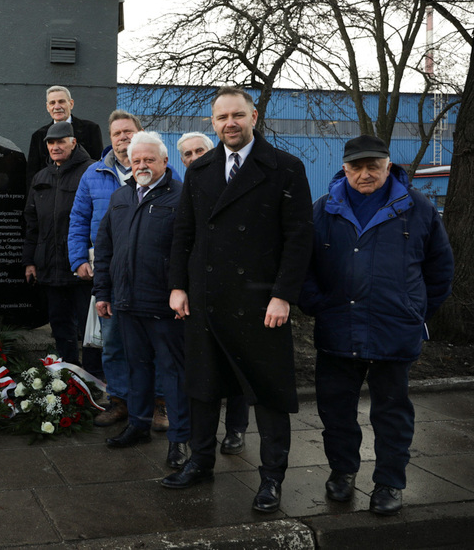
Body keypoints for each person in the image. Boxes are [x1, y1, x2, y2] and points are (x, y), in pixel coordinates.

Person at [162, 86, 313, 515]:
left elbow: (299, 238)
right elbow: (184, 233)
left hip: (261, 302)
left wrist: (283, 295)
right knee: (203, 387)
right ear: (213, 122)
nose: (230, 123)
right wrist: (177, 286)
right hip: (206, 298)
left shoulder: (285, 167)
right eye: (222, 117)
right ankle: (200, 462)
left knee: (268, 393)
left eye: (238, 115)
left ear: (254, 116)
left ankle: (271, 478)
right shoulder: (200, 169)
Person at [300, 135, 453, 516]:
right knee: (336, 411)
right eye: (357, 167)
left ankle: (389, 482)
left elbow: (440, 269)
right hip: (338, 328)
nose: (365, 174)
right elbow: (302, 266)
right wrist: (318, 304)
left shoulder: (417, 208)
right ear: (345, 168)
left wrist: (414, 312)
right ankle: (342, 471)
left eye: (374, 166)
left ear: (388, 166)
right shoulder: (324, 209)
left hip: (393, 331)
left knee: (392, 413)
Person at [93, 131, 190, 468]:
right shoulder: (121, 196)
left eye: (149, 159)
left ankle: (179, 440)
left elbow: (189, 251)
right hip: (126, 302)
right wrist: (102, 292)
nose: (142, 165)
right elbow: (105, 247)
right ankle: (137, 425)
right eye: (136, 160)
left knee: (173, 375)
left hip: (165, 307)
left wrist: (182, 291)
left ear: (165, 161)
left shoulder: (181, 197)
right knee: (136, 369)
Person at [176, 131, 250, 455]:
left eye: (199, 151)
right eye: (187, 154)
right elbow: (183, 237)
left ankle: (236, 428)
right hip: (201, 290)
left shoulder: (234, 180)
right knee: (205, 369)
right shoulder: (189, 186)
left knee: (236, 365)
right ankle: (202, 441)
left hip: (236, 289)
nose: (194, 157)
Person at [68, 110, 142, 427]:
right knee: (112, 343)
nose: (123, 137)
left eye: (128, 131)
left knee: (153, 343)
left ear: (139, 132)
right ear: (110, 139)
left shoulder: (158, 167)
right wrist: (78, 259)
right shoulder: (93, 173)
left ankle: (158, 403)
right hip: (108, 272)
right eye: (117, 133)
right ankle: (119, 401)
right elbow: (78, 219)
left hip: (149, 271)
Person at [24, 121, 97, 372]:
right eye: (51, 143)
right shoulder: (41, 177)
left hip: (81, 268)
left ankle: (92, 377)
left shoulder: (91, 171)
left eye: (61, 141)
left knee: (89, 328)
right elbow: (32, 224)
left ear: (73, 142)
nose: (55, 147)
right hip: (50, 266)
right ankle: (69, 374)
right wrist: (29, 261)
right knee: (60, 325)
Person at [27, 86, 104, 183]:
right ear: (47, 107)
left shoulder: (90, 129)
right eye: (52, 103)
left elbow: (98, 165)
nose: (57, 107)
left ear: (71, 104)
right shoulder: (38, 136)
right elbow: (32, 175)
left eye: (61, 101)